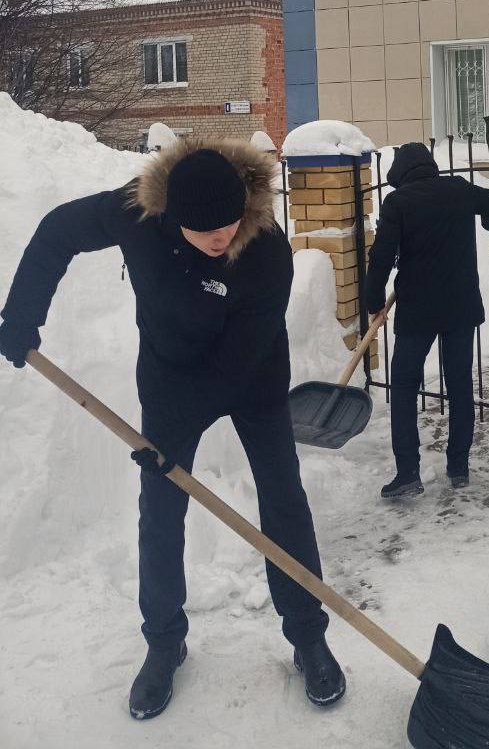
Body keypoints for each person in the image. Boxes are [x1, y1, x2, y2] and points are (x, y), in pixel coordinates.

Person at [0, 140, 345, 720]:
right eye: (206, 229)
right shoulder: (135, 214)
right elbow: (58, 231)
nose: (222, 237)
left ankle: (307, 633)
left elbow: (239, 358)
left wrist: (169, 441)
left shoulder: (265, 252)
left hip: (251, 375)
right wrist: (21, 314)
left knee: (283, 496)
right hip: (169, 378)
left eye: (231, 223)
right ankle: (164, 642)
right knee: (160, 509)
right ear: (171, 216)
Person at [364, 142, 489, 499]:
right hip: (460, 306)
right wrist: (487, 222)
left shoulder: (398, 203)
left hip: (418, 309)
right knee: (459, 385)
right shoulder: (458, 189)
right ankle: (458, 466)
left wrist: (374, 302)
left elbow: (381, 256)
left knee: (405, 387)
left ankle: (408, 472)